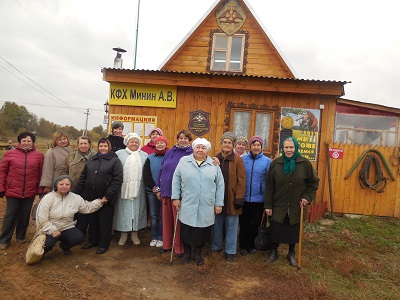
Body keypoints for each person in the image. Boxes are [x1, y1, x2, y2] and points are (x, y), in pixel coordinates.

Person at [265, 137, 319, 267]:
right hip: (279, 203)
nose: (289, 150)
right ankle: (274, 251)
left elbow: (313, 182)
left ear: (296, 148)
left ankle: (291, 253)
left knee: (293, 228)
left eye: (291, 147)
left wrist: (307, 197)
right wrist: (268, 205)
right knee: (276, 227)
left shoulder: (304, 163)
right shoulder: (276, 163)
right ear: (283, 148)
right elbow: (269, 185)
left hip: (296, 204)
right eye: (286, 147)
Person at [172, 138, 224, 266]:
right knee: (186, 229)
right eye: (198, 147)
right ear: (193, 148)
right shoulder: (184, 161)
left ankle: (198, 254)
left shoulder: (214, 164)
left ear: (207, 150)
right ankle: (187, 253)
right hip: (188, 202)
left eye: (203, 148)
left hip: (206, 204)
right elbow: (176, 179)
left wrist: (219, 203)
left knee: (202, 231)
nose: (200, 150)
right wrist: (175, 197)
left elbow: (220, 185)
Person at [36, 175, 108, 256]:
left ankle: (64, 246)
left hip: (66, 227)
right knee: (46, 244)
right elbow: (41, 219)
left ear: (70, 186)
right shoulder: (48, 198)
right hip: (50, 228)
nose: (64, 186)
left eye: (67, 184)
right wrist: (53, 231)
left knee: (78, 237)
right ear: (56, 185)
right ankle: (42, 253)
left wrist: (100, 202)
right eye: (61, 184)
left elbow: (87, 207)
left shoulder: (75, 198)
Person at [73, 138, 123, 254]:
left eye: (105, 146)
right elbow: (83, 178)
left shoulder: (114, 161)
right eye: (101, 146)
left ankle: (103, 244)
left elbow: (117, 180)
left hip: (105, 198)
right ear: (97, 147)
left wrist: (107, 196)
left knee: (104, 222)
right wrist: (74, 192)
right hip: (90, 197)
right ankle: (93, 241)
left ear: (109, 147)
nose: (103, 148)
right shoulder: (92, 159)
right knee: (92, 221)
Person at [0, 132, 44, 250]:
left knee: (24, 215)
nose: (26, 143)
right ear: (19, 142)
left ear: (32, 142)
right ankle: (4, 239)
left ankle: (21, 236)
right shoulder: (10, 154)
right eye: (24, 141)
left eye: (29, 141)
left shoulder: (39, 156)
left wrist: (39, 189)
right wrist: (1, 188)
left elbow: (40, 174)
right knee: (10, 215)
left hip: (30, 191)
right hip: (13, 190)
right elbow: (2, 172)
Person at [155, 130, 193, 256]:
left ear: (189, 140)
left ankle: (178, 248)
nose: (183, 140)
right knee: (166, 221)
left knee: (178, 222)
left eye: (186, 138)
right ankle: (166, 245)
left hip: (179, 194)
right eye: (180, 138)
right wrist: (158, 188)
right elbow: (161, 170)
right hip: (165, 191)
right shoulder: (170, 152)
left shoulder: (191, 153)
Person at [211, 132, 246, 261]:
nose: (227, 145)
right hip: (217, 199)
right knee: (217, 225)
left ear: (233, 145)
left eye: (229, 143)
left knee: (232, 225)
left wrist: (239, 198)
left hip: (232, 199)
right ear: (221, 144)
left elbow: (242, 181)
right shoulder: (215, 158)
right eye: (225, 142)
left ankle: (230, 251)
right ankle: (216, 247)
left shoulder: (238, 160)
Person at [114, 133, 148, 246]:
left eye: (136, 142)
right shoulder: (119, 154)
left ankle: (134, 233)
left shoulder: (144, 155)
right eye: (131, 141)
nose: (134, 143)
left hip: (139, 188)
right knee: (123, 210)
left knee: (137, 210)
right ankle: (123, 233)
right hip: (124, 188)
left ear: (139, 143)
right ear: (127, 143)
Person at [239, 136, 272, 255]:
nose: (256, 147)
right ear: (250, 146)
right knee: (244, 222)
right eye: (254, 145)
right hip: (245, 197)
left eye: (258, 145)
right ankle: (243, 245)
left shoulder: (267, 161)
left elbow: (269, 180)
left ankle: (252, 245)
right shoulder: (243, 160)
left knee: (255, 223)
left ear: (261, 147)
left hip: (259, 198)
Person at [60, 136, 96, 235]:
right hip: (74, 190)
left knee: (87, 214)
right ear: (78, 145)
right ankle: (75, 235)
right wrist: (65, 185)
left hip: (90, 191)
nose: (83, 146)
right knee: (74, 214)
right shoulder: (70, 157)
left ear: (90, 145)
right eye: (81, 143)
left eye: (85, 143)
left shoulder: (95, 156)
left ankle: (87, 234)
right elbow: (64, 171)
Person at [143, 135, 169, 248]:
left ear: (165, 144)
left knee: (163, 216)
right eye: (157, 143)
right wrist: (153, 187)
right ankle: (154, 237)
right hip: (151, 191)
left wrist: (162, 188)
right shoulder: (150, 157)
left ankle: (161, 237)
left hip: (165, 191)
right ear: (155, 144)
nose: (159, 144)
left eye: (162, 143)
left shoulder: (169, 156)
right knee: (154, 215)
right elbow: (146, 174)